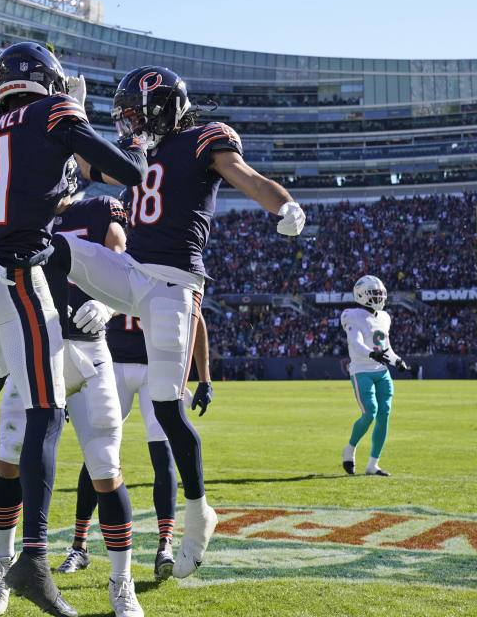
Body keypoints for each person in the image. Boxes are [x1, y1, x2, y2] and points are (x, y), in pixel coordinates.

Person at [0, 41, 146, 617]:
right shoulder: (56, 113)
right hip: (17, 277)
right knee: (47, 411)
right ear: (50, 81)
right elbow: (131, 173)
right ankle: (35, 559)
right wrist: (92, 128)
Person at [55, 65, 305, 578]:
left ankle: (198, 511)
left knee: (168, 408)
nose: (129, 126)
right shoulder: (138, 154)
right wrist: (71, 110)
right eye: (123, 118)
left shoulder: (202, 140)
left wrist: (284, 206)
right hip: (131, 272)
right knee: (52, 245)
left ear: (164, 105)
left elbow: (249, 178)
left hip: (174, 285)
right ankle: (53, 351)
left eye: (135, 114)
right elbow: (85, 162)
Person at [0, 189, 145, 616]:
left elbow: (123, 262)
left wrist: (110, 305)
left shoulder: (96, 209)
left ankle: (121, 581)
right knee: (9, 456)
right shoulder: (20, 210)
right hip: (34, 347)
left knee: (105, 467)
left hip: (89, 350)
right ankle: (0, 567)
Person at [56, 312, 210, 582]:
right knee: (97, 454)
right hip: (112, 364)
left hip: (156, 367)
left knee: (162, 454)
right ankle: (79, 545)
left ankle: (165, 546)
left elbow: (195, 316)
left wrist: (205, 377)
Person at [340, 275, 409, 477]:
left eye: (380, 293)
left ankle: (373, 465)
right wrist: (372, 354)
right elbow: (356, 341)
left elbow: (386, 348)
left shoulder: (384, 317)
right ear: (361, 294)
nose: (378, 297)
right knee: (370, 412)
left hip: (382, 372)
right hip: (362, 370)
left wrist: (397, 361)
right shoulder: (352, 315)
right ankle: (350, 449)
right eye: (374, 293)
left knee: (384, 415)